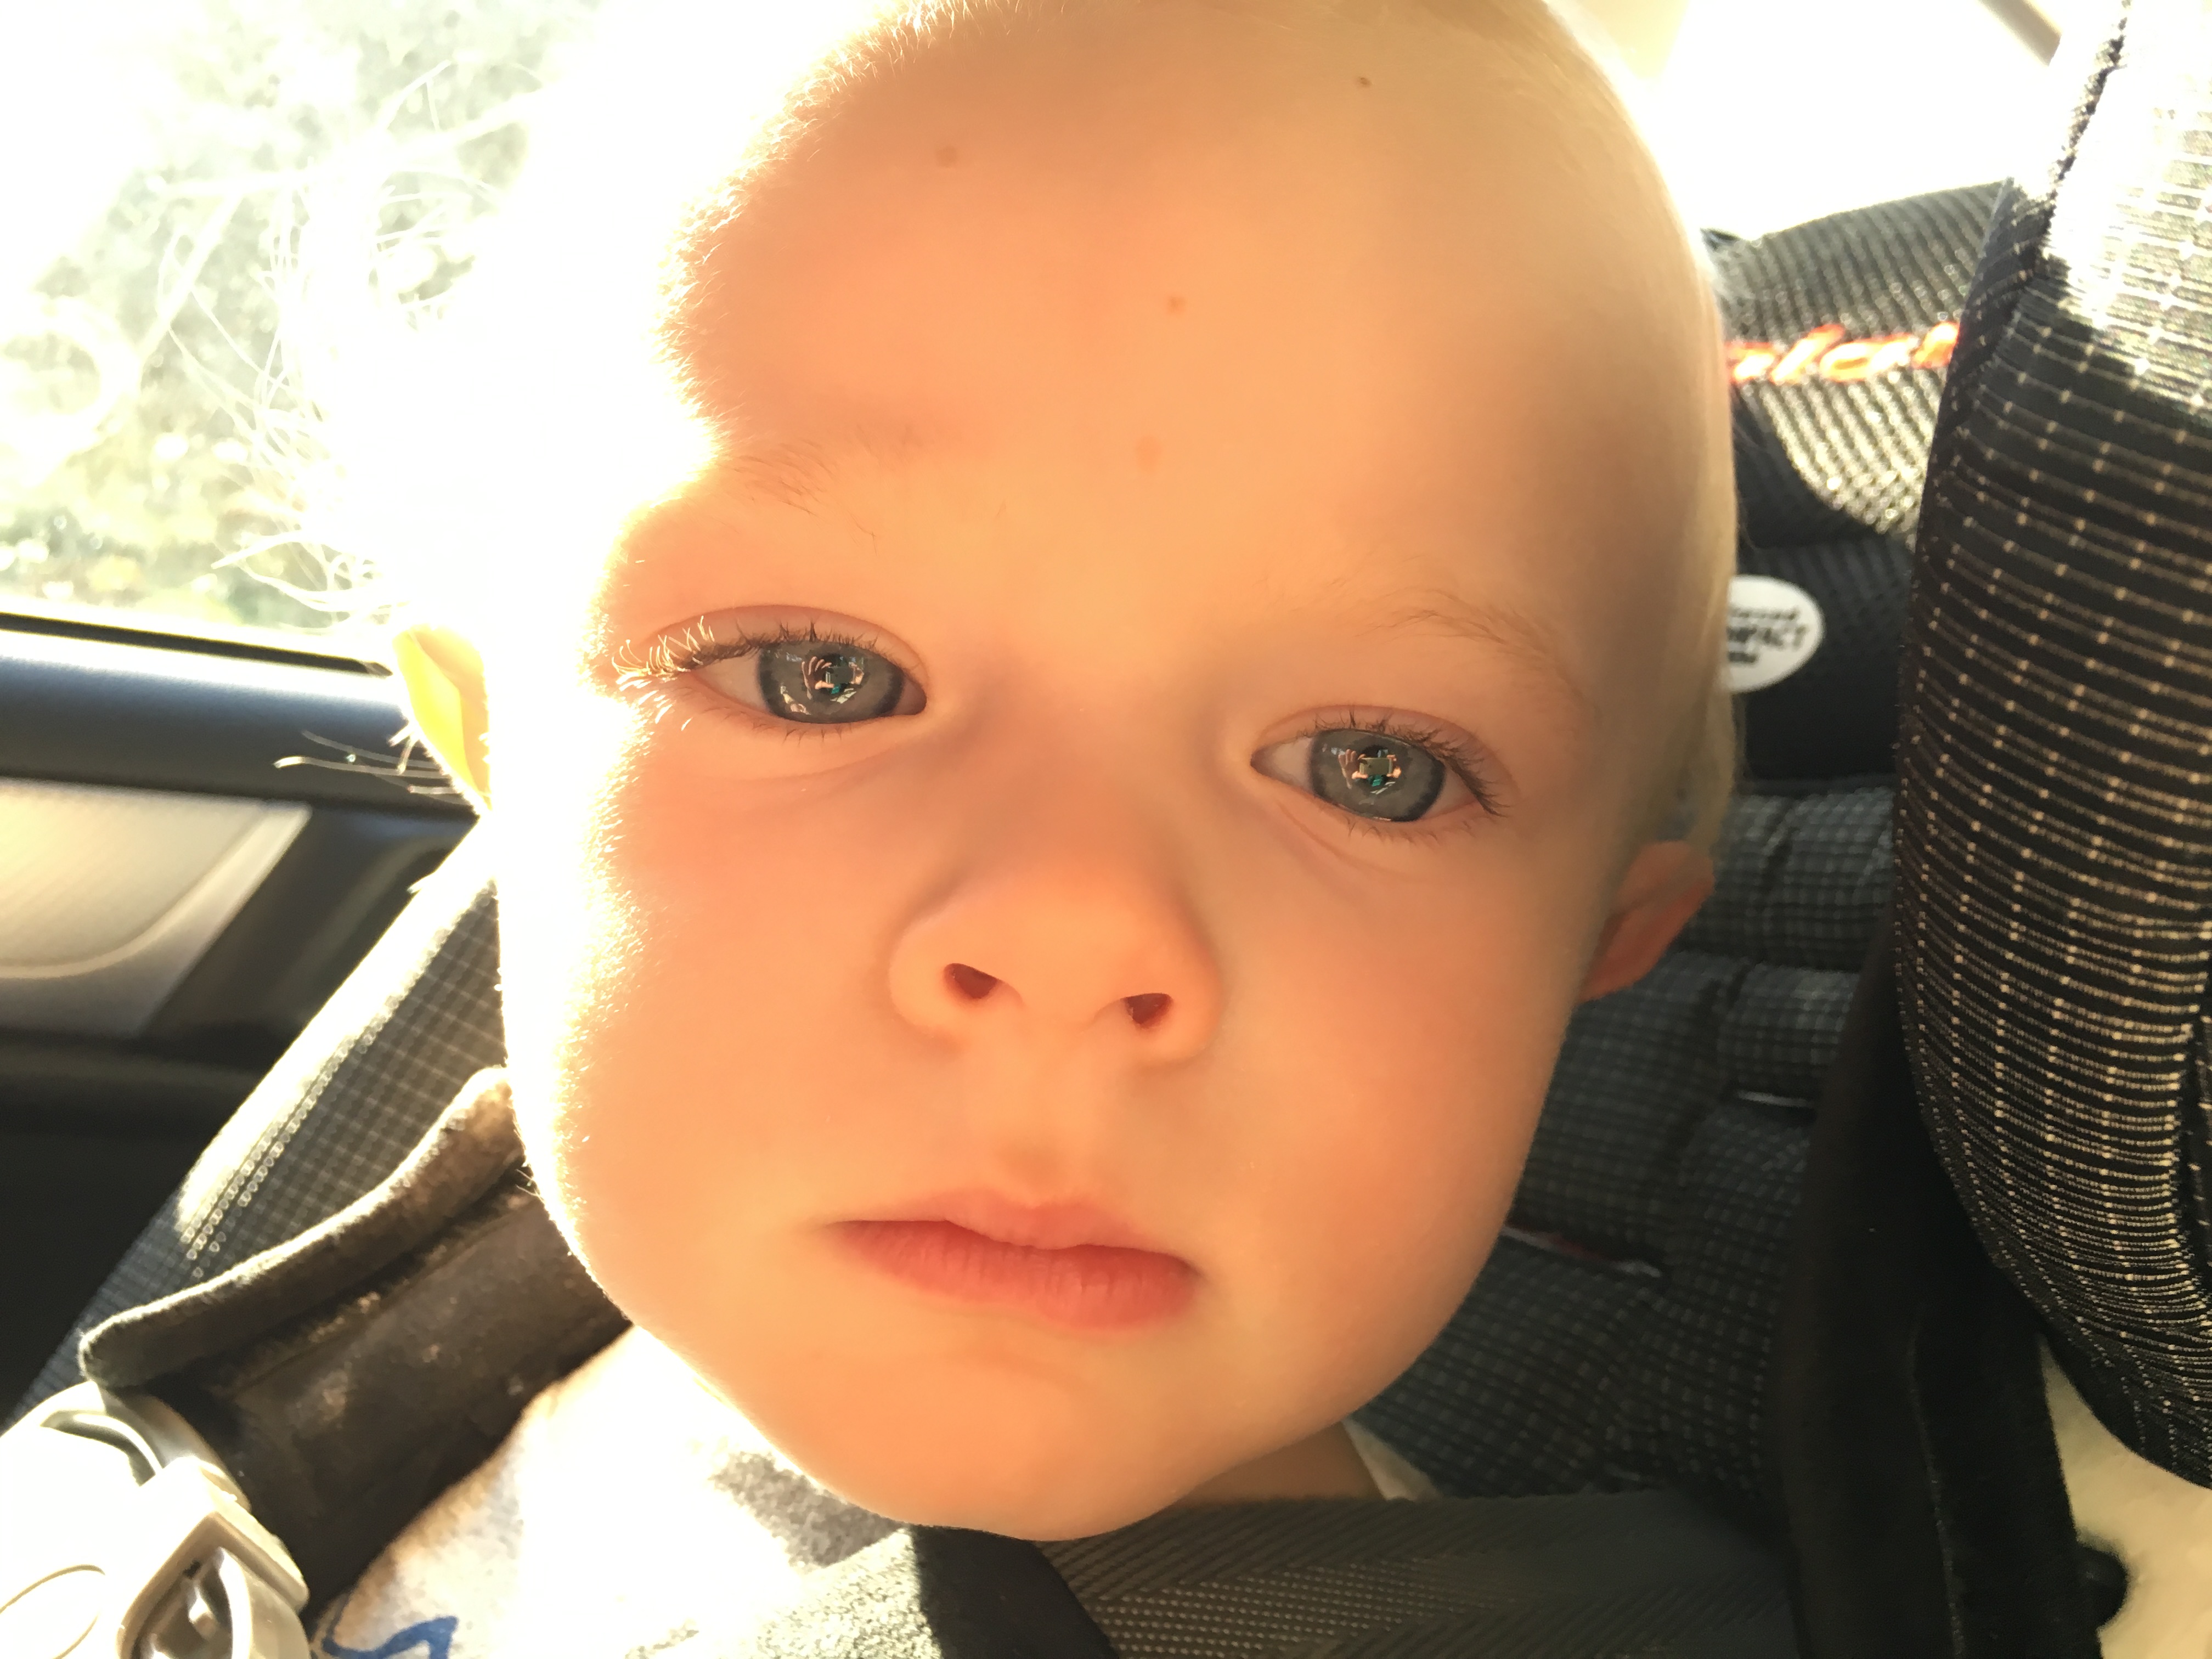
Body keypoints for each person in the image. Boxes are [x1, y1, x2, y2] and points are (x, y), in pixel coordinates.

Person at [304, 0, 1736, 1646]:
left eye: (1369, 768)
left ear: (1597, 943)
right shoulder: (443, 1371)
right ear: (491, 740)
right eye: (821, 676)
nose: (1075, 929)